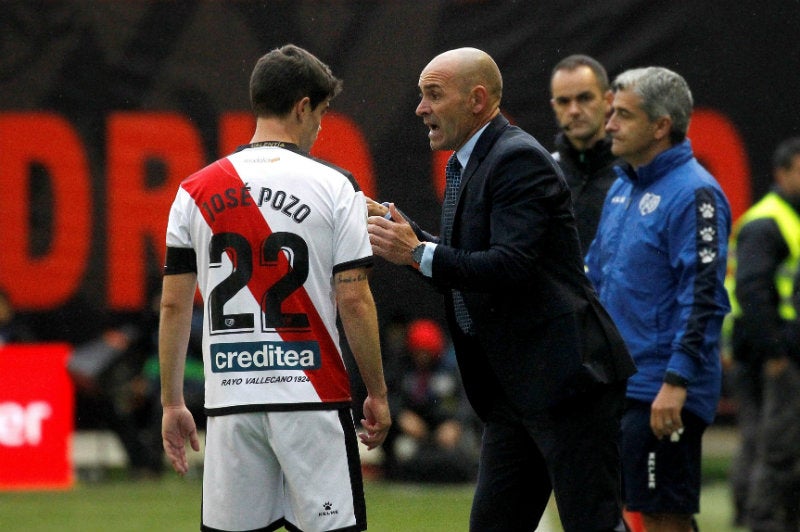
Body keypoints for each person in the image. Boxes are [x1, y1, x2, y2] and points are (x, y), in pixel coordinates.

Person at [367, 47, 635, 532]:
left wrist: (417, 252)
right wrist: (409, 237)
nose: (420, 108)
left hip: (564, 381)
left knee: (591, 524)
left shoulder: (516, 159)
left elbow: (509, 267)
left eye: (433, 95)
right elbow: (470, 265)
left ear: (476, 99)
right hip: (517, 389)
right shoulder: (478, 159)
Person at [158, 44, 391, 532]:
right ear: (303, 106)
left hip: (232, 403)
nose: (321, 127)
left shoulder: (193, 191)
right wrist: (377, 392)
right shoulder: (335, 186)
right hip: (313, 398)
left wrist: (173, 401)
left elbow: (175, 304)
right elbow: (353, 297)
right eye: (322, 113)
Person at [585, 67, 732, 532]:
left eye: (623, 115)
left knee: (661, 514)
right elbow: (597, 277)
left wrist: (676, 380)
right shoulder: (623, 187)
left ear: (661, 125)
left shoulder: (696, 193)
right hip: (620, 382)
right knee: (631, 510)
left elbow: (704, 297)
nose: (608, 125)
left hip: (662, 388)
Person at [725, 137, 800, 531]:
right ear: (782, 173)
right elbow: (751, 293)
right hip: (767, 353)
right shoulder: (768, 221)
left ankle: (755, 512)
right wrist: (775, 353)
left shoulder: (783, 217)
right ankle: (762, 516)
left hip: (767, 348)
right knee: (775, 444)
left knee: (763, 439)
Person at [383, 318, 478, 483]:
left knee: (463, 452)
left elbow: (467, 400)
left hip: (446, 428)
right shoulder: (401, 367)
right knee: (400, 450)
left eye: (426, 352)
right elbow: (388, 396)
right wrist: (401, 416)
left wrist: (456, 424)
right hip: (414, 430)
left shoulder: (450, 367)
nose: (422, 357)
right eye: (418, 352)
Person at [549, 54, 619, 252]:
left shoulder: (635, 172)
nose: (574, 110)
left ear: (608, 101)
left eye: (585, 98)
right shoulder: (542, 174)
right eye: (564, 101)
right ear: (555, 107)